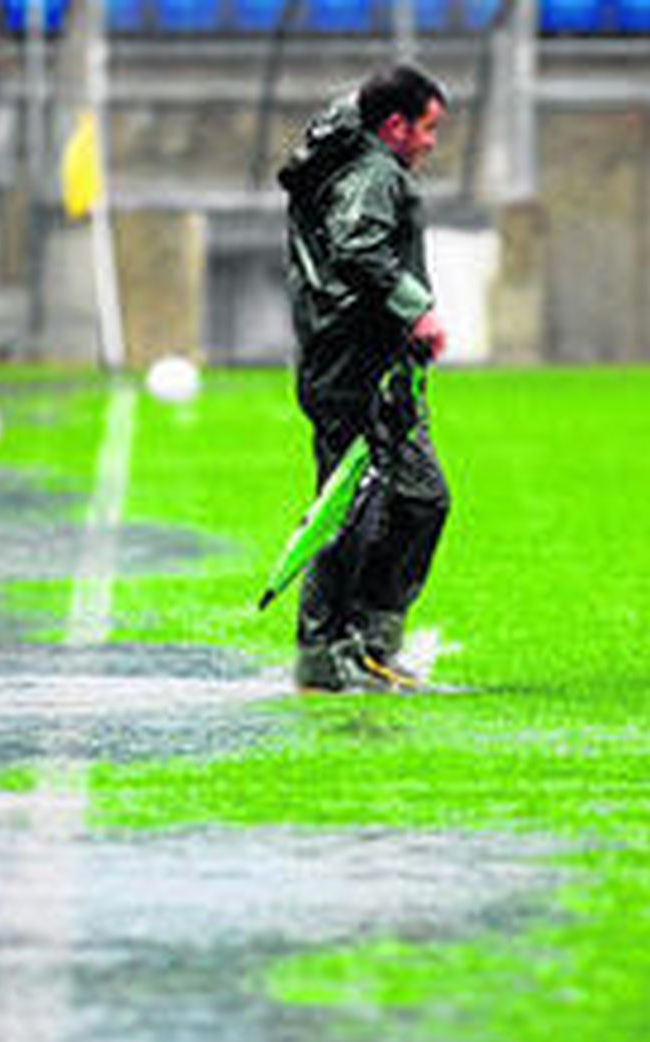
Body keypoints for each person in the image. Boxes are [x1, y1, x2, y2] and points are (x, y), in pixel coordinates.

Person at [278, 63, 451, 693]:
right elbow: (357, 247)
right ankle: (326, 655)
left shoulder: (365, 163)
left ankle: (371, 643)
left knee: (416, 500)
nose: (432, 143)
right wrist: (417, 307)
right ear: (396, 125)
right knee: (354, 507)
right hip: (354, 366)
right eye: (427, 129)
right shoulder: (374, 174)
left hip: (374, 364)